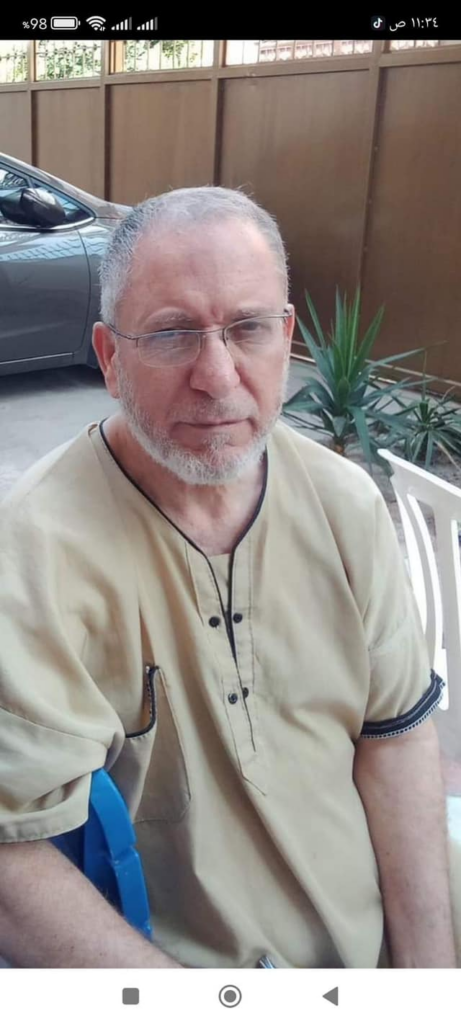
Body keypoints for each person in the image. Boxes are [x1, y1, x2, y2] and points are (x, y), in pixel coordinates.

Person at [0, 186, 456, 969]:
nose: (217, 377)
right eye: (172, 333)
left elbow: (396, 738)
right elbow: (13, 856)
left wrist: (426, 983)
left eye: (247, 328)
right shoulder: (34, 551)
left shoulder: (344, 504)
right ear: (110, 359)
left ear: (285, 337)